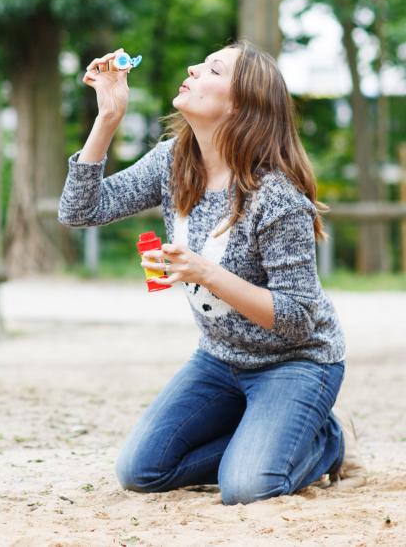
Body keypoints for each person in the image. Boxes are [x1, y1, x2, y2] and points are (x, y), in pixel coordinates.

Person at [58, 42, 362, 505]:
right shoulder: (173, 160)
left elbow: (298, 317)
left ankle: (324, 442)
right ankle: (271, 436)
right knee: (141, 471)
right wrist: (108, 119)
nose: (192, 67)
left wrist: (205, 270)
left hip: (296, 363)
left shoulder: (275, 196)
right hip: (220, 360)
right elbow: (81, 210)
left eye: (212, 69)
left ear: (240, 104)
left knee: (248, 486)